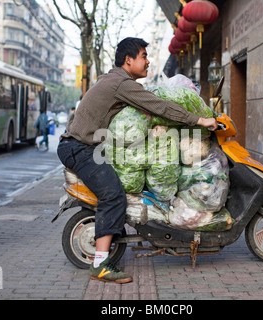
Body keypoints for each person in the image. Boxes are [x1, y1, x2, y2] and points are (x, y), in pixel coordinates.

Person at [57, 37, 217, 284]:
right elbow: (158, 106)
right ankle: (100, 265)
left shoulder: (112, 80)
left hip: (83, 145)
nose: (148, 60)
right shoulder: (121, 83)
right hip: (80, 149)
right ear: (128, 60)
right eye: (143, 55)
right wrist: (199, 121)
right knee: (113, 195)